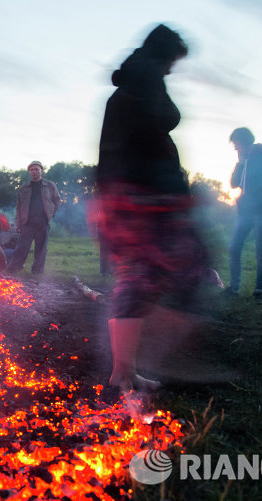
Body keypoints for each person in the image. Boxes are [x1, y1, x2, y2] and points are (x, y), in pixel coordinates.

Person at [96, 24, 209, 391]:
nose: (172, 70)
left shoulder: (130, 86)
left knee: (139, 279)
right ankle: (157, 361)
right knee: (156, 276)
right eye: (172, 62)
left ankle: (124, 370)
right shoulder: (145, 79)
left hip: (131, 200)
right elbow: (164, 119)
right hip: (144, 202)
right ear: (164, 55)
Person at [221, 128, 262, 303]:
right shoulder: (243, 161)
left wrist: (260, 194)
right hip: (245, 212)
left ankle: (259, 290)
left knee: (260, 249)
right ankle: (235, 287)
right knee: (234, 247)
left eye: (236, 145)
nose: (235, 149)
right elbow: (234, 183)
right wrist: (240, 163)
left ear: (242, 143)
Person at [7, 161, 61, 275]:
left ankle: (37, 273)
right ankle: (13, 270)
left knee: (41, 250)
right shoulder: (23, 188)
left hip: (43, 222)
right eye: (32, 169)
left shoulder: (50, 185)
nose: (34, 171)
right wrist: (18, 223)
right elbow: (19, 207)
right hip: (27, 223)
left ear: (41, 170)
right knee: (21, 248)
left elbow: (57, 201)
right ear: (29, 172)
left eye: (36, 169)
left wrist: (51, 214)